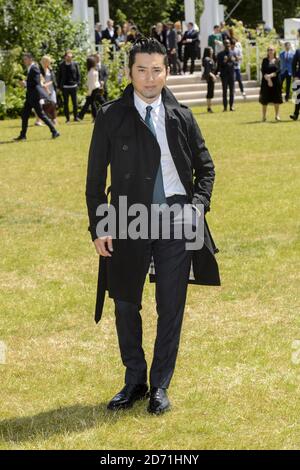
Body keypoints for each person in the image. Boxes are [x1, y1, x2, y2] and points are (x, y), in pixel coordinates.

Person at [85, 37, 220, 415]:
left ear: (167, 72)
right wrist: (99, 227)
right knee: (126, 304)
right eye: (141, 70)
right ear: (130, 72)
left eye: (156, 70)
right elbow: (95, 181)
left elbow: (206, 169)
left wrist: (197, 206)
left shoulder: (182, 117)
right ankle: (134, 381)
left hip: (178, 220)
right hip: (127, 219)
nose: (148, 78)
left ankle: (160, 385)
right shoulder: (111, 116)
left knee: (170, 306)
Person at [14, 53, 60, 141]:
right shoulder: (30, 68)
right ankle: (23, 135)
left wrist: (25, 84)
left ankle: (54, 131)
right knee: (25, 114)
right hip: (30, 95)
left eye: (25, 59)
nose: (24, 61)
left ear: (30, 59)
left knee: (41, 114)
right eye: (24, 59)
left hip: (34, 95)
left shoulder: (34, 68)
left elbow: (36, 82)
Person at [259, 46, 283, 122]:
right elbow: (263, 70)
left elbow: (278, 70)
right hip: (266, 82)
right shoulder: (264, 60)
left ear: (274, 51)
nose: (270, 51)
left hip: (276, 82)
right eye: (269, 50)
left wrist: (270, 76)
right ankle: (264, 117)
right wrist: (269, 79)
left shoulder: (278, 60)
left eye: (271, 50)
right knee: (264, 99)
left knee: (276, 98)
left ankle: (277, 115)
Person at [57, 50, 81, 123]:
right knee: (66, 103)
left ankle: (76, 117)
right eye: (68, 56)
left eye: (71, 57)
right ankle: (67, 119)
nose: (70, 58)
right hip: (65, 87)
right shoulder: (61, 65)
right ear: (65, 57)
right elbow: (59, 76)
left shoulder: (75, 64)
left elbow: (78, 74)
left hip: (73, 86)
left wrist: (77, 83)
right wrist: (59, 86)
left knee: (75, 103)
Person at [78, 56, 101, 122]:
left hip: (93, 88)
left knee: (91, 102)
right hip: (96, 88)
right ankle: (81, 116)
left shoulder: (91, 72)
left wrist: (89, 92)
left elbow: (91, 84)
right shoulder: (94, 70)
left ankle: (94, 117)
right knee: (90, 102)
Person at [217, 39, 236, 111]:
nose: (227, 45)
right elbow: (219, 66)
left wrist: (234, 60)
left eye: (228, 44)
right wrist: (224, 62)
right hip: (224, 75)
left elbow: (236, 63)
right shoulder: (220, 54)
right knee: (224, 91)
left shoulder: (233, 53)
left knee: (232, 91)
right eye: (226, 44)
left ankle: (231, 106)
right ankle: (225, 107)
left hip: (231, 74)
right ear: (224, 45)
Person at [40, 55, 58, 124]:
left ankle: (54, 119)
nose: (48, 62)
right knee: (44, 105)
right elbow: (40, 79)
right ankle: (47, 119)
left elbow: (53, 80)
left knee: (53, 103)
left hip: (51, 89)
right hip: (43, 89)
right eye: (47, 61)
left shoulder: (50, 69)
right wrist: (44, 85)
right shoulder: (39, 70)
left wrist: (48, 84)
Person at [202, 47, 217, 113]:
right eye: (211, 50)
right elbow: (207, 70)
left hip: (211, 77)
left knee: (211, 92)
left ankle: (210, 107)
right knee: (209, 92)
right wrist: (212, 75)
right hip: (210, 77)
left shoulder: (211, 59)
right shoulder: (207, 59)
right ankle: (209, 107)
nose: (212, 51)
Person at [290, 47, 300, 121]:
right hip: (299, 77)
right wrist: (295, 76)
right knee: (298, 96)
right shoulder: (298, 51)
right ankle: (295, 114)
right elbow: (293, 64)